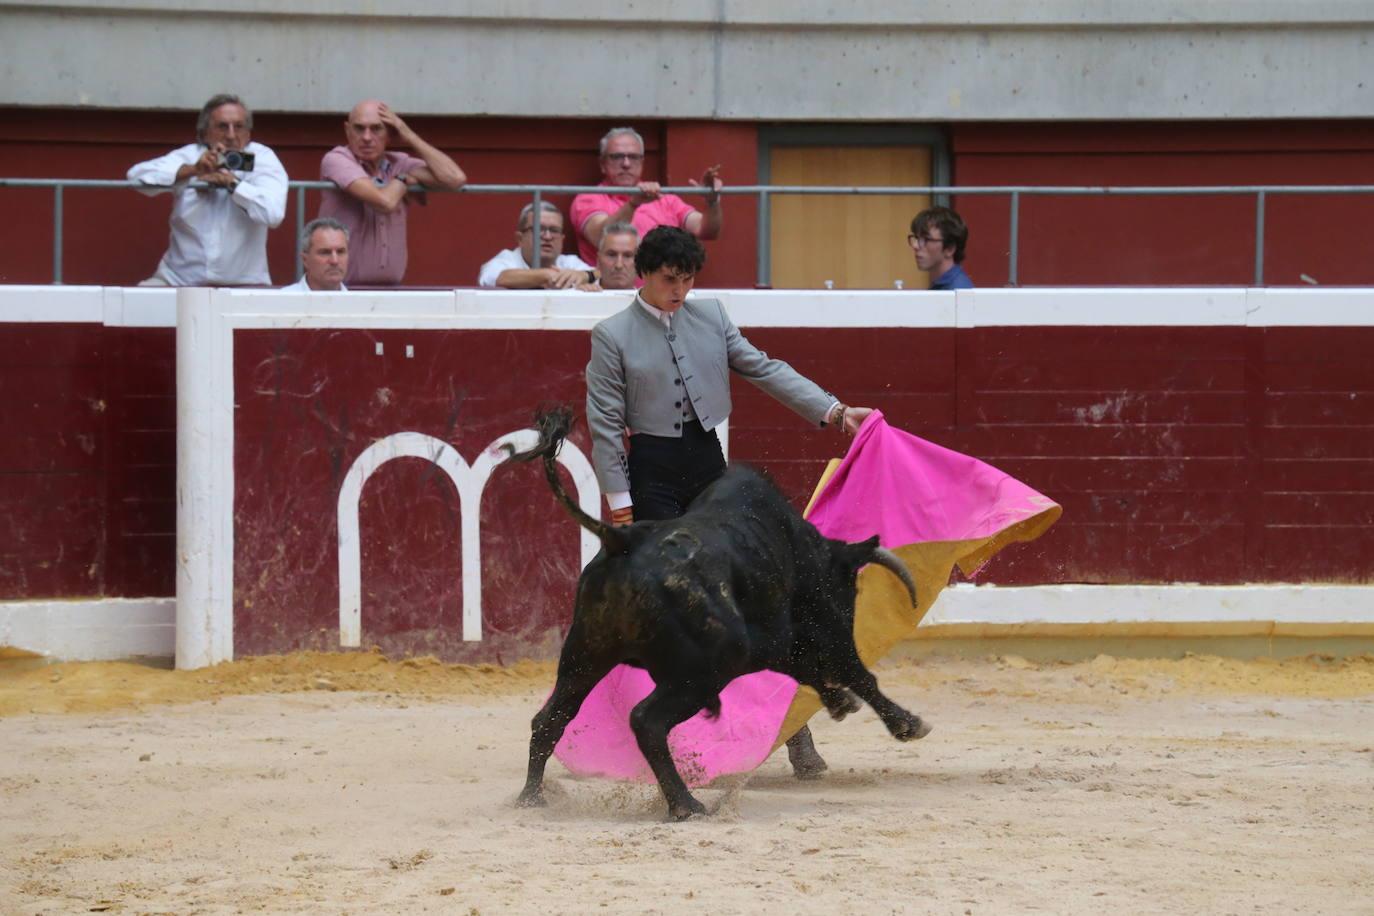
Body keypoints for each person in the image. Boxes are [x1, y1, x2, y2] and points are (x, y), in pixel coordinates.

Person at [585, 224, 872, 777]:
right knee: (674, 612)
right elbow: (604, 424)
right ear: (646, 274)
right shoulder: (612, 334)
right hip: (652, 476)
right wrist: (620, 504)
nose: (681, 291)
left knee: (760, 594)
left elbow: (764, 368)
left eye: (689, 279)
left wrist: (834, 411)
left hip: (709, 470)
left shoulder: (710, 316)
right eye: (671, 280)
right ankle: (664, 739)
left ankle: (794, 734)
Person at [127, 93, 288, 286]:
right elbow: (135, 177)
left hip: (244, 282)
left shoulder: (260, 157)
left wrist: (233, 184)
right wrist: (193, 170)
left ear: (248, 133)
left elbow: (273, 214)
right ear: (204, 132)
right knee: (138, 304)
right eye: (222, 127)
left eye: (238, 127)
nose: (230, 135)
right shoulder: (192, 154)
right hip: (179, 280)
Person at [318, 99, 466, 286]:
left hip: (391, 291)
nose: (366, 137)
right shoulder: (337, 159)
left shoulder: (398, 162)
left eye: (376, 129)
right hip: (341, 289)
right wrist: (403, 180)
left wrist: (408, 133)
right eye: (359, 128)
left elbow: (455, 178)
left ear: (390, 134)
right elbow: (384, 202)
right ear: (347, 130)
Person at [569, 127, 722, 266]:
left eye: (633, 157)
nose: (626, 163)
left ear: (642, 162)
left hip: (661, 293)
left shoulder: (665, 199)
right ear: (603, 164)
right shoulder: (589, 197)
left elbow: (706, 230)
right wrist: (633, 205)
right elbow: (599, 237)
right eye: (617, 157)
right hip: (609, 292)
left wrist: (712, 201)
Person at [478, 202, 599, 290]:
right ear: (520, 238)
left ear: (562, 239)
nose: (547, 236)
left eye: (554, 230)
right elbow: (494, 278)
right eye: (539, 229)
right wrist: (547, 275)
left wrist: (585, 275)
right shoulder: (507, 259)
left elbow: (605, 275)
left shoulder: (569, 262)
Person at [909, 205, 973, 290]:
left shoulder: (958, 291)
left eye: (926, 239)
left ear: (950, 249)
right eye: (917, 238)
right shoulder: (942, 285)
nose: (915, 246)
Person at [281, 218, 349, 292]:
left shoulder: (358, 302)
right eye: (325, 252)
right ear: (305, 260)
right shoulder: (281, 301)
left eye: (340, 252)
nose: (334, 261)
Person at [596, 222, 639, 291]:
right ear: (598, 260)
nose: (619, 265)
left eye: (627, 256)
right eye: (611, 255)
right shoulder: (577, 297)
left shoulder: (650, 301)